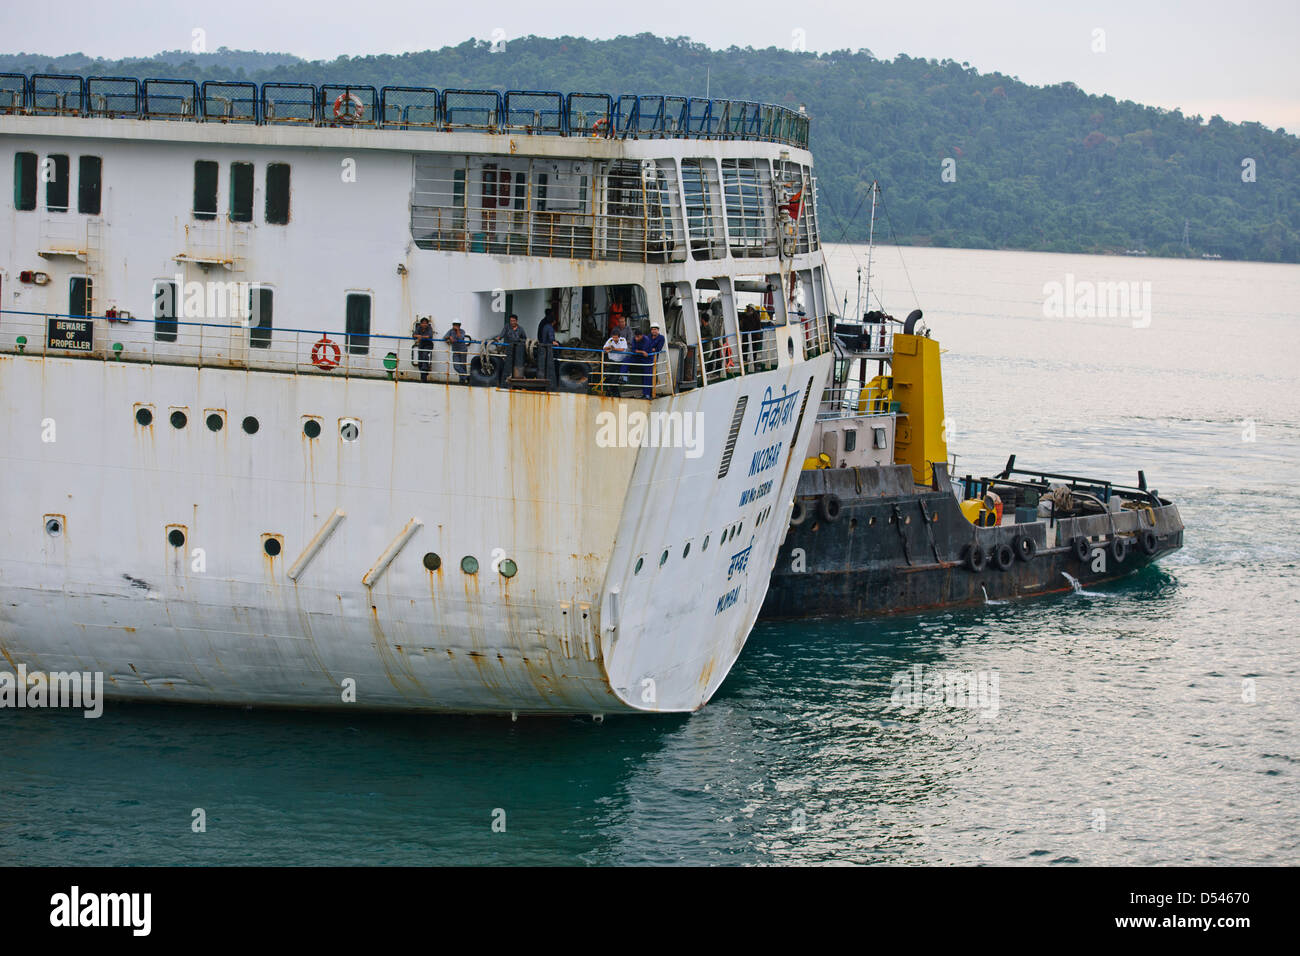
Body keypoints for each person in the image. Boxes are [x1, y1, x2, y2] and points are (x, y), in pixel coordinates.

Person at [492, 313, 527, 384]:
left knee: (517, 364)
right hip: (509, 349)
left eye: (513, 321)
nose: (512, 322)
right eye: (511, 321)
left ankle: (517, 378)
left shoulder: (521, 329)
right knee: (508, 364)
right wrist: (496, 339)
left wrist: (519, 341)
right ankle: (506, 378)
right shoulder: (507, 327)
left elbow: (525, 339)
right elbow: (501, 335)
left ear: (516, 321)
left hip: (518, 350)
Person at [602, 326, 629, 396]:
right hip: (612, 362)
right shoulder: (610, 340)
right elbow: (604, 348)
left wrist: (613, 349)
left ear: (619, 337)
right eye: (613, 337)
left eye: (616, 337)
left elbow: (623, 349)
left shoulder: (623, 340)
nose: (614, 339)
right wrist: (609, 347)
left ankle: (616, 394)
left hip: (620, 362)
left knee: (614, 379)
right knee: (607, 377)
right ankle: (610, 392)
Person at [643, 322, 666, 398]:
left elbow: (658, 349)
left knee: (651, 375)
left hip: (653, 358)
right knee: (646, 375)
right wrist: (650, 349)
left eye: (655, 329)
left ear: (658, 330)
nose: (653, 331)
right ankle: (646, 393)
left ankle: (650, 393)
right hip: (646, 358)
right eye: (652, 329)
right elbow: (645, 347)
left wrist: (650, 349)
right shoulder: (648, 337)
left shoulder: (661, 338)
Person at [537, 310, 557, 386]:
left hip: (542, 345)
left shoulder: (544, 324)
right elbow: (551, 339)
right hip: (547, 347)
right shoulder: (550, 327)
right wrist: (556, 343)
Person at [412, 316, 435, 383]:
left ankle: (424, 376)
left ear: (427, 324)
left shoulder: (429, 328)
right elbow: (414, 335)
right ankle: (425, 372)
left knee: (425, 355)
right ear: (420, 324)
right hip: (421, 345)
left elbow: (429, 336)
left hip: (428, 345)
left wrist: (420, 336)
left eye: (426, 323)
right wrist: (417, 336)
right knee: (420, 360)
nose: (424, 324)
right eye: (423, 323)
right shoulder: (419, 328)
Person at [740, 304, 762, 369]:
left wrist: (758, 334)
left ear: (752, 309)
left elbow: (758, 326)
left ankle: (753, 361)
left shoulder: (756, 316)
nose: (747, 309)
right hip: (746, 334)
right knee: (744, 347)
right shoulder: (744, 315)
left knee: (754, 348)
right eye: (747, 308)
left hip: (754, 335)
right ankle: (744, 360)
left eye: (748, 308)